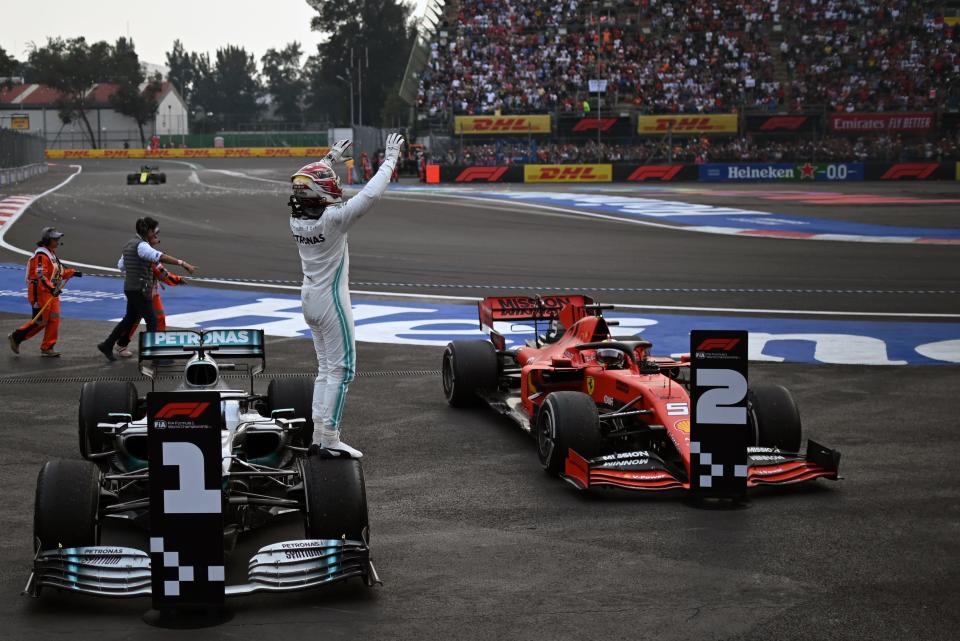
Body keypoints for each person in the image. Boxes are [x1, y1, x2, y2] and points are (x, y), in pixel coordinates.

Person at [288, 132, 404, 458]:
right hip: (331, 300)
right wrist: (391, 159)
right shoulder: (334, 219)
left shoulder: (296, 219)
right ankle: (330, 438)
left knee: (325, 368)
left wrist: (329, 158)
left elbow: (304, 183)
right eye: (330, 181)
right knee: (343, 370)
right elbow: (369, 196)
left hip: (309, 297)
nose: (334, 184)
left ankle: (318, 434)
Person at [97, 217, 196, 361]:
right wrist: (182, 263)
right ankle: (155, 355)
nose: (155, 234)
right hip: (141, 289)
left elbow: (121, 266)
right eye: (153, 231)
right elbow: (160, 257)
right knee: (152, 321)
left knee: (129, 319)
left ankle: (107, 344)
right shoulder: (142, 246)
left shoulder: (129, 244)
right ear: (148, 231)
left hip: (130, 288)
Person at [8, 227, 82, 357]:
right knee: (40, 321)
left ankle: (47, 347)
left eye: (58, 239)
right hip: (40, 292)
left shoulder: (51, 254)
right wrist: (51, 288)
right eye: (55, 239)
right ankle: (16, 336)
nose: (58, 241)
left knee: (54, 319)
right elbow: (40, 276)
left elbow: (57, 273)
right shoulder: (41, 256)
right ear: (48, 240)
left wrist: (71, 272)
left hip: (51, 292)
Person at [115, 234, 185, 358]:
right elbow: (162, 274)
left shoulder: (146, 251)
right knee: (135, 320)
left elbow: (121, 265)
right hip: (140, 292)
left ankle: (159, 345)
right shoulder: (145, 252)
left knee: (159, 318)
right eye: (154, 237)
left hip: (150, 292)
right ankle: (121, 344)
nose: (157, 240)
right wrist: (178, 280)